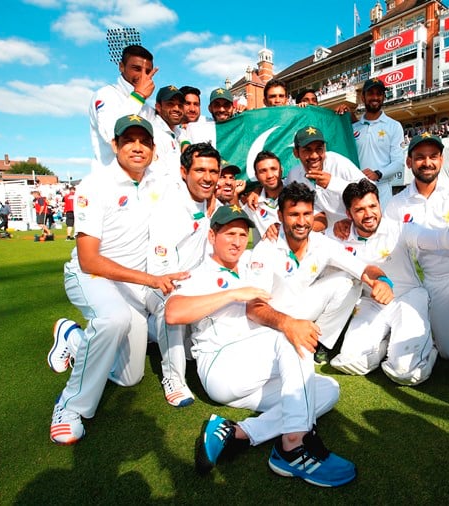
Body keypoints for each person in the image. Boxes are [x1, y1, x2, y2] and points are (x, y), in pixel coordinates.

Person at [165, 205, 356, 487]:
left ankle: (237, 432)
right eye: (229, 234)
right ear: (211, 236)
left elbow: (289, 250)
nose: (237, 241)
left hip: (256, 369)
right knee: (291, 335)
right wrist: (231, 294)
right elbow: (173, 312)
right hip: (222, 367)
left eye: (243, 234)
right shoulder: (199, 274)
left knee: (327, 389)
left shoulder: (252, 263)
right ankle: (293, 446)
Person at [46, 114, 188, 444]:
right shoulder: (95, 185)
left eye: (144, 141)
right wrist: (151, 280)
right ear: (115, 145)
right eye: (129, 140)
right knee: (113, 319)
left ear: (153, 148)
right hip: (92, 276)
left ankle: (73, 338)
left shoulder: (160, 180)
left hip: (132, 284)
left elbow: (200, 185)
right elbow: (89, 258)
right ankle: (70, 407)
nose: (137, 147)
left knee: (128, 377)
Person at [328, 178, 449, 385]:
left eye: (373, 206)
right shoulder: (339, 236)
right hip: (370, 304)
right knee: (350, 362)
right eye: (359, 210)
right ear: (348, 214)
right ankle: (387, 343)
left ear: (379, 204)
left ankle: (425, 348)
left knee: (406, 374)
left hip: (408, 298)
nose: (368, 214)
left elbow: (435, 238)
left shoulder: (400, 229)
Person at [247, 182, 394, 366]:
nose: (301, 222)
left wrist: (382, 280)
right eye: (293, 215)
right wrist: (288, 324)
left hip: (301, 309)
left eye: (307, 214)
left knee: (349, 280)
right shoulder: (266, 248)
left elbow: (363, 269)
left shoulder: (321, 243)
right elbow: (254, 308)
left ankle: (321, 344)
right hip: (271, 321)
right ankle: (295, 337)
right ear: (280, 216)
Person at [384, 133, 449, 393]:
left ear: (441, 159)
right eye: (419, 157)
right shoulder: (396, 204)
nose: (426, 162)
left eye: (433, 156)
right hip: (434, 279)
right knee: (448, 351)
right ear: (409, 162)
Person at [146, 141, 223, 395]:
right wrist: (182, 289)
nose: (207, 177)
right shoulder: (169, 204)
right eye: (200, 170)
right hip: (157, 282)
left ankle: (148, 330)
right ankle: (174, 379)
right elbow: (161, 266)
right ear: (184, 172)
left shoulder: (211, 203)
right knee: (173, 305)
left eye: (213, 172)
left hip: (193, 282)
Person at [339, 78, 405, 208]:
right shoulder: (354, 127)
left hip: (382, 192)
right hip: (356, 191)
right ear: (363, 97)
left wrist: (378, 173)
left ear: (383, 97)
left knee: (382, 227)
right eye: (370, 93)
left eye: (379, 94)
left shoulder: (394, 126)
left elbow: (398, 163)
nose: (375, 97)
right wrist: (342, 116)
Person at [89, 45, 156, 171]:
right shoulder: (106, 94)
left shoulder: (146, 107)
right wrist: (139, 96)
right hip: (110, 178)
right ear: (121, 66)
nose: (143, 76)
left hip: (142, 180)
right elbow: (110, 133)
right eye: (136, 69)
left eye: (147, 71)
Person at [284, 125, 365, 230]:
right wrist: (257, 191)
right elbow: (280, 191)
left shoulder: (338, 163)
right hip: (325, 235)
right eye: (307, 150)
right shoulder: (294, 175)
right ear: (296, 153)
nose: (314, 156)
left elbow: (371, 189)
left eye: (319, 149)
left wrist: (333, 183)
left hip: (354, 229)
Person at [243, 151, 284, 242]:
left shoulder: (296, 192)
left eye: (273, 169)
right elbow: (236, 222)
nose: (269, 175)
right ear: (256, 176)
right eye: (263, 171)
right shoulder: (252, 203)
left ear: (281, 170)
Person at [151, 85, 186, 180]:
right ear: (158, 107)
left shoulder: (178, 132)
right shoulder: (155, 134)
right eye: (170, 104)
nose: (177, 109)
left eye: (180, 105)